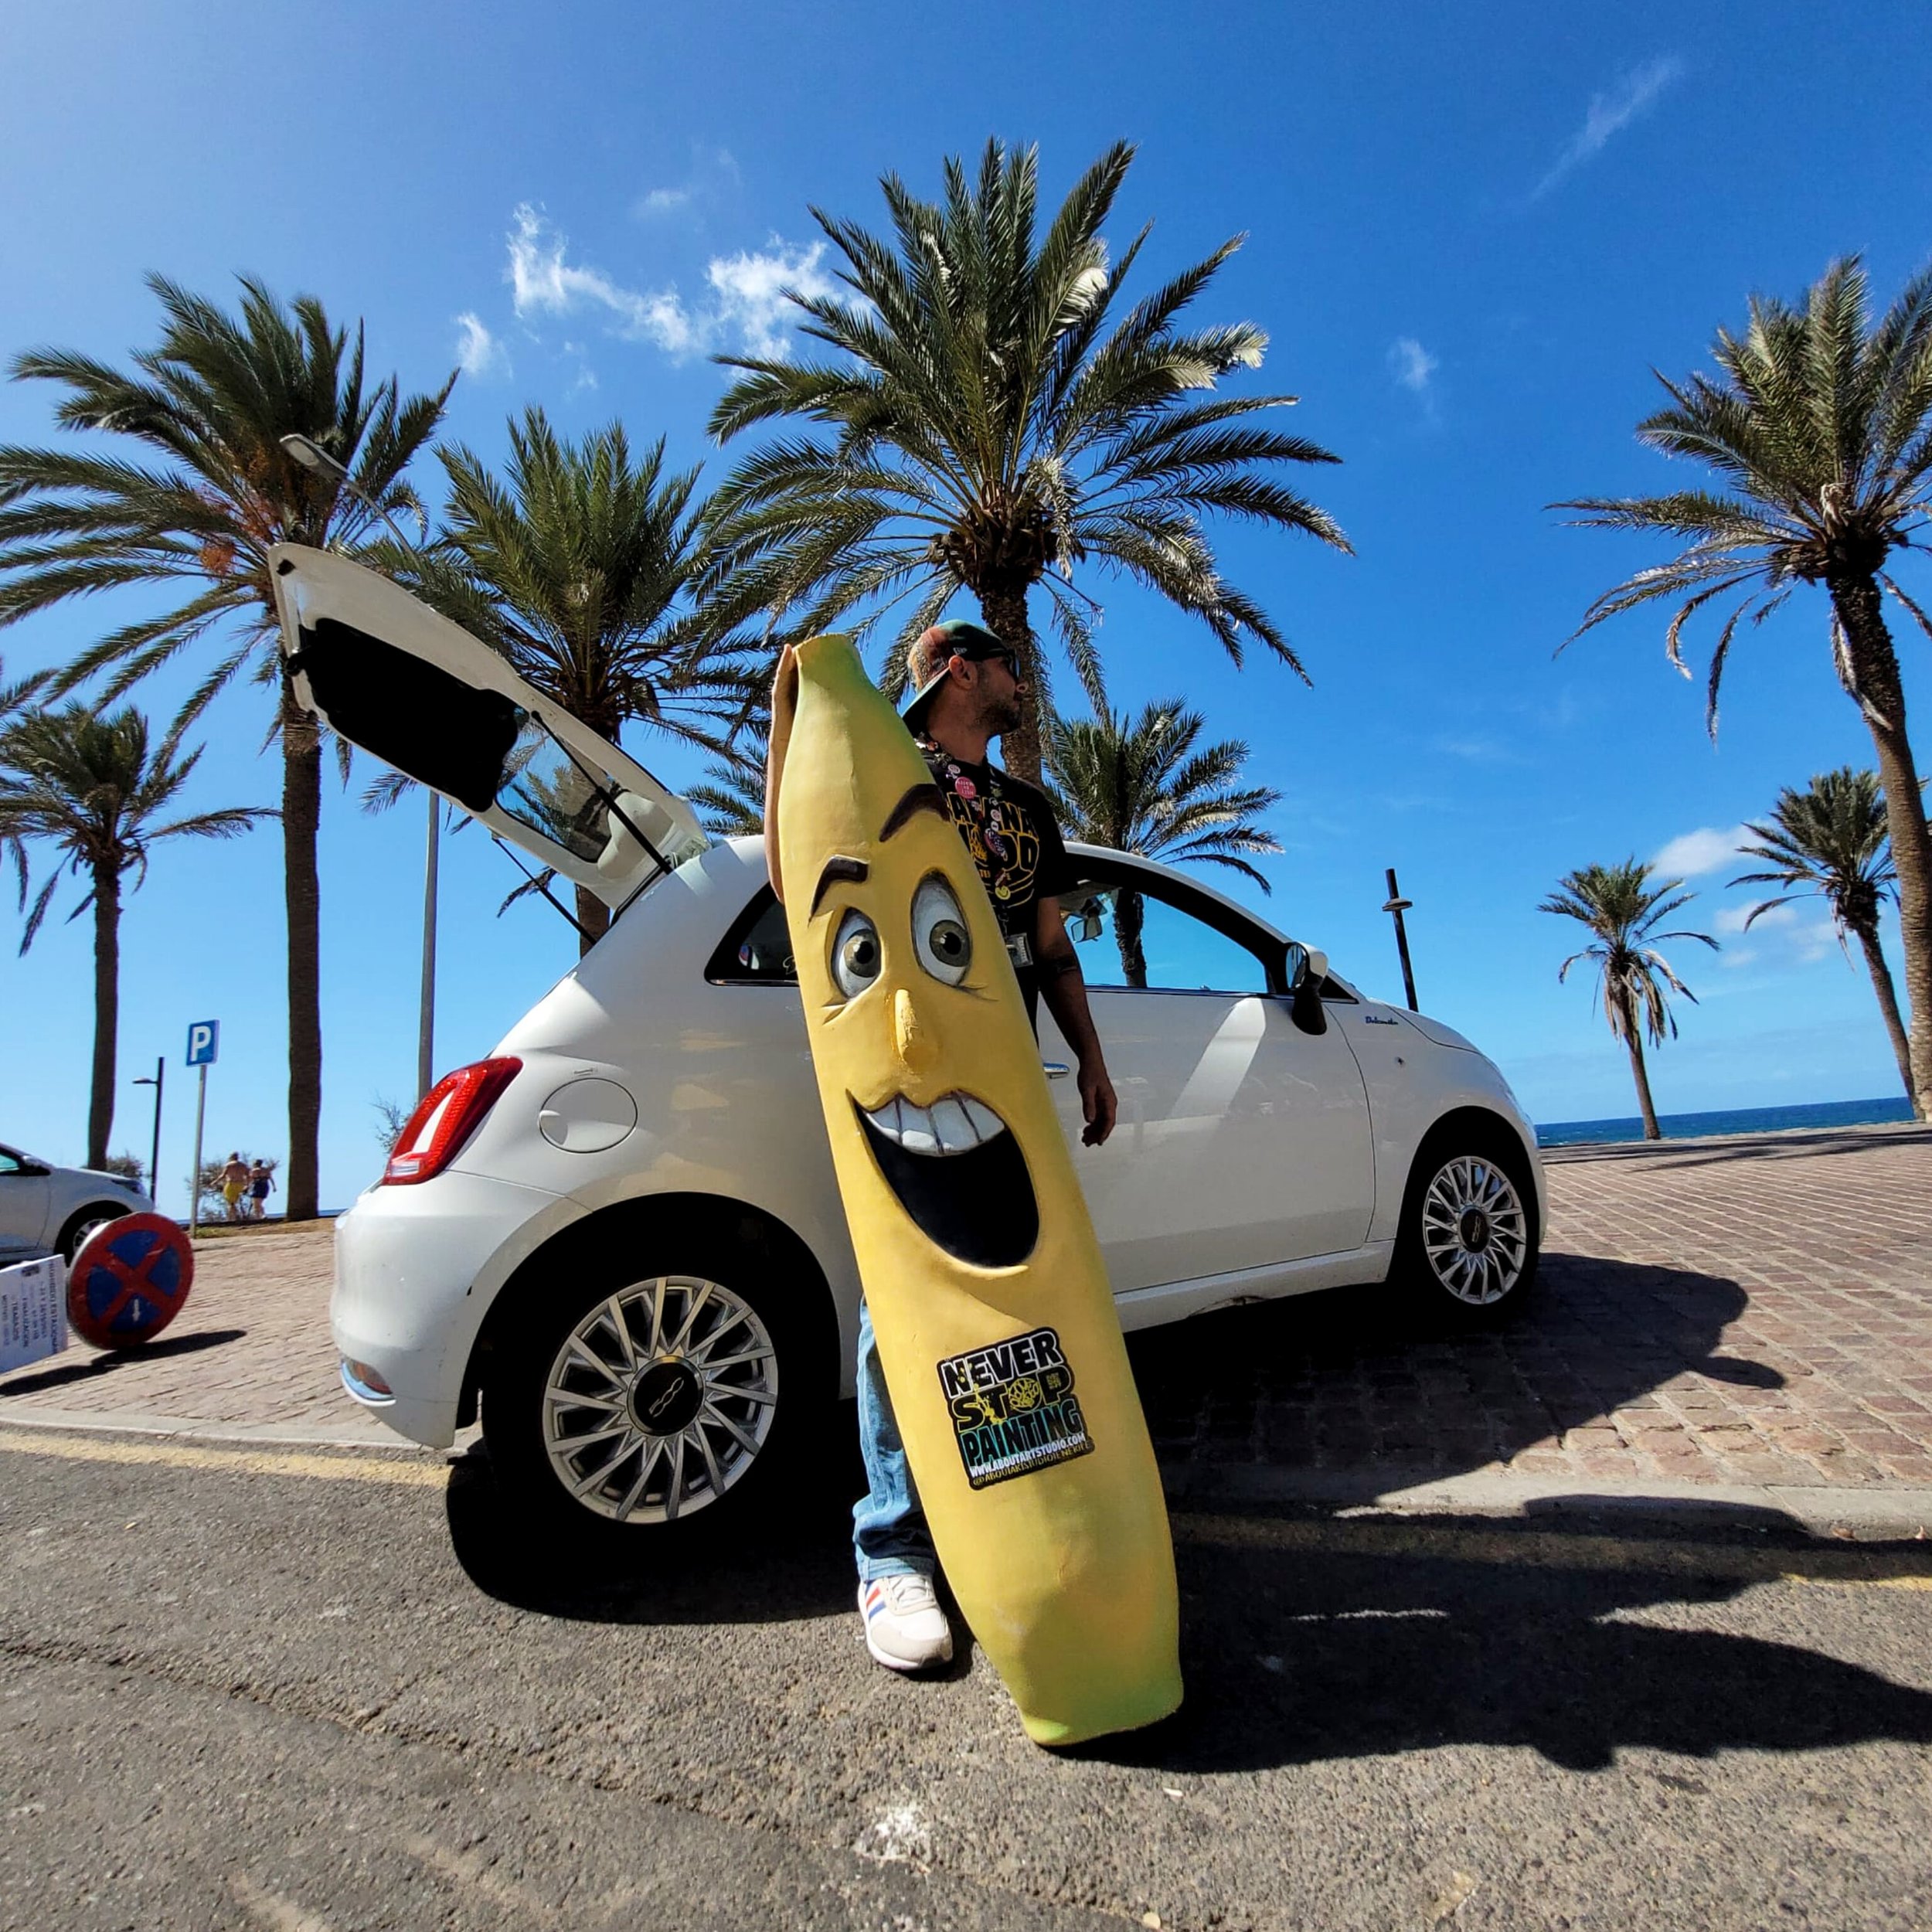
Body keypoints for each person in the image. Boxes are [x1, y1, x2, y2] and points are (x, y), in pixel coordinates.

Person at [774, 618, 1121, 1674]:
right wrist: (790, 714)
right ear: (963, 670)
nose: (1026, 683)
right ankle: (891, 1551)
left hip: (1004, 1081)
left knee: (1028, 1294)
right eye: (1014, 666)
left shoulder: (1028, 808)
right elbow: (796, 883)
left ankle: (1026, 1534)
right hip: (908, 1078)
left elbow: (1051, 948)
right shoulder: (882, 771)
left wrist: (1091, 1061)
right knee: (902, 1309)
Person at [218, 1151, 250, 1224]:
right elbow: (248, 1176)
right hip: (240, 1184)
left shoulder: (229, 1165)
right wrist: (247, 1185)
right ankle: (232, 1217)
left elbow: (223, 1175)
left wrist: (215, 1181)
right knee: (233, 1202)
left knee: (230, 1202)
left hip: (231, 1184)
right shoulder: (243, 1165)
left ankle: (233, 1217)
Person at [247, 1158, 274, 1223]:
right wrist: (274, 1187)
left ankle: (259, 1217)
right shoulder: (266, 1170)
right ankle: (261, 1216)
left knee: (256, 1203)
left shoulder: (254, 1171)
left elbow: (250, 1180)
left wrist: (247, 1187)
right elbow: (271, 1179)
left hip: (257, 1186)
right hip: (265, 1186)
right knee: (259, 1203)